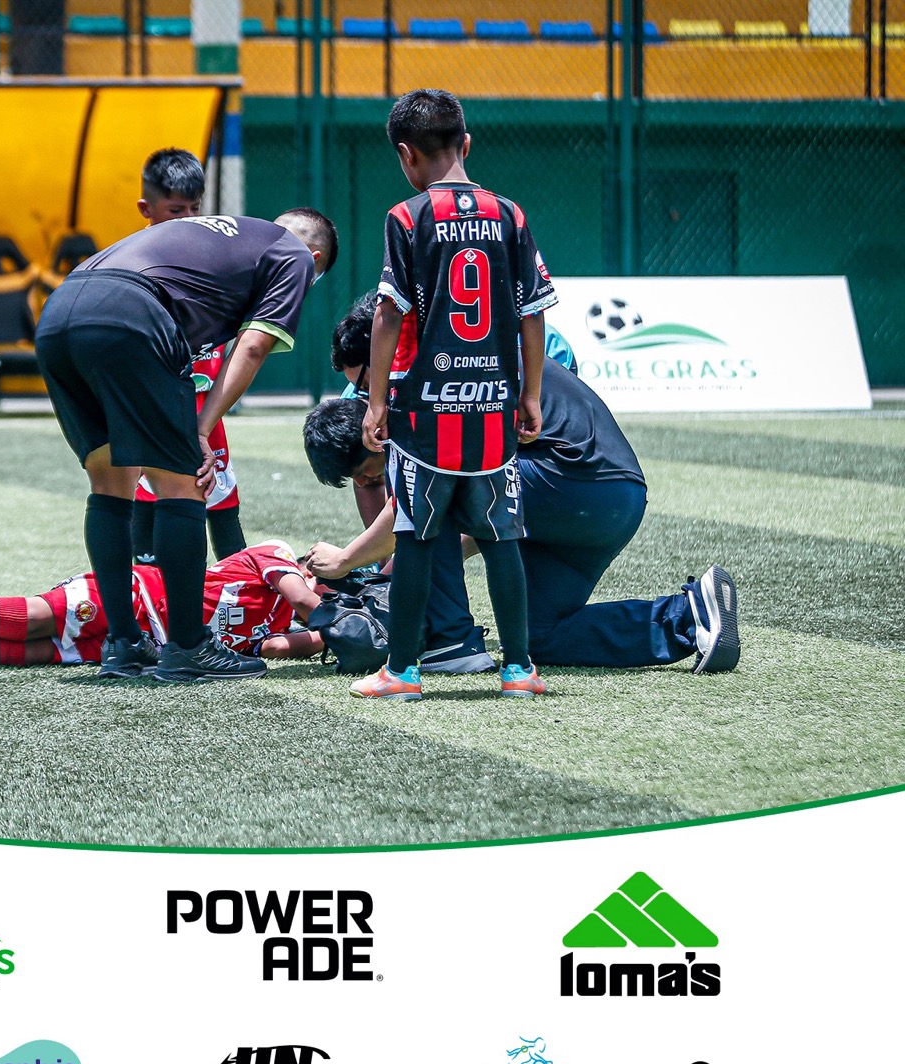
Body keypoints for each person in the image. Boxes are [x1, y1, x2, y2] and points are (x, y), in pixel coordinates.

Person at [34, 206, 337, 684]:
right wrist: (200, 429)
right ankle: (188, 646)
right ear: (314, 258)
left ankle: (123, 644)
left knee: (109, 483)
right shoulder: (295, 255)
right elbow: (252, 346)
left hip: (59, 312)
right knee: (184, 483)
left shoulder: (229, 235)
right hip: (130, 315)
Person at [303, 355, 741, 674]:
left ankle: (455, 643)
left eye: (362, 473)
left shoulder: (427, 391)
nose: (367, 482)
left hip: (574, 484)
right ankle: (689, 616)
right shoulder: (455, 364)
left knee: (438, 486)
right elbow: (477, 526)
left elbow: (426, 505)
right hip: (604, 503)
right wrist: (404, 567)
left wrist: (345, 560)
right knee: (538, 635)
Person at [354, 88, 556, 701]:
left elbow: (390, 312)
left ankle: (402, 672)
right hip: (494, 404)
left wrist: (377, 401)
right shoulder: (510, 214)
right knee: (501, 534)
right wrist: (530, 395)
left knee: (416, 534)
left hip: (427, 409)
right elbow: (533, 312)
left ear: (406, 155)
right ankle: (518, 670)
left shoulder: (406, 217)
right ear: (466, 144)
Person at [322, 290, 492, 674]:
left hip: (535, 463)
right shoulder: (373, 392)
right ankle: (504, 651)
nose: (363, 395)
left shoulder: (446, 367)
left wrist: (351, 560)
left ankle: (454, 643)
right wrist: (385, 564)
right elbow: (369, 474)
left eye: (365, 383)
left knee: (440, 503)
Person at [0, 540, 324, 674]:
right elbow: (304, 597)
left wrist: (327, 639)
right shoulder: (278, 556)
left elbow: (278, 649)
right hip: (135, 596)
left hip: (146, 646)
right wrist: (335, 619)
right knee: (32, 618)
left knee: (34, 653)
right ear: (308, 566)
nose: (322, 597)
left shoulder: (280, 624)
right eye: (325, 586)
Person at [129, 149, 246, 564]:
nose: (188, 219)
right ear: (146, 209)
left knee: (221, 497)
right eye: (176, 210)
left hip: (206, 408)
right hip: (156, 408)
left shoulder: (212, 258)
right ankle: (143, 589)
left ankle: (240, 583)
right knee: (150, 496)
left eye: (195, 208)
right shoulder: (134, 263)